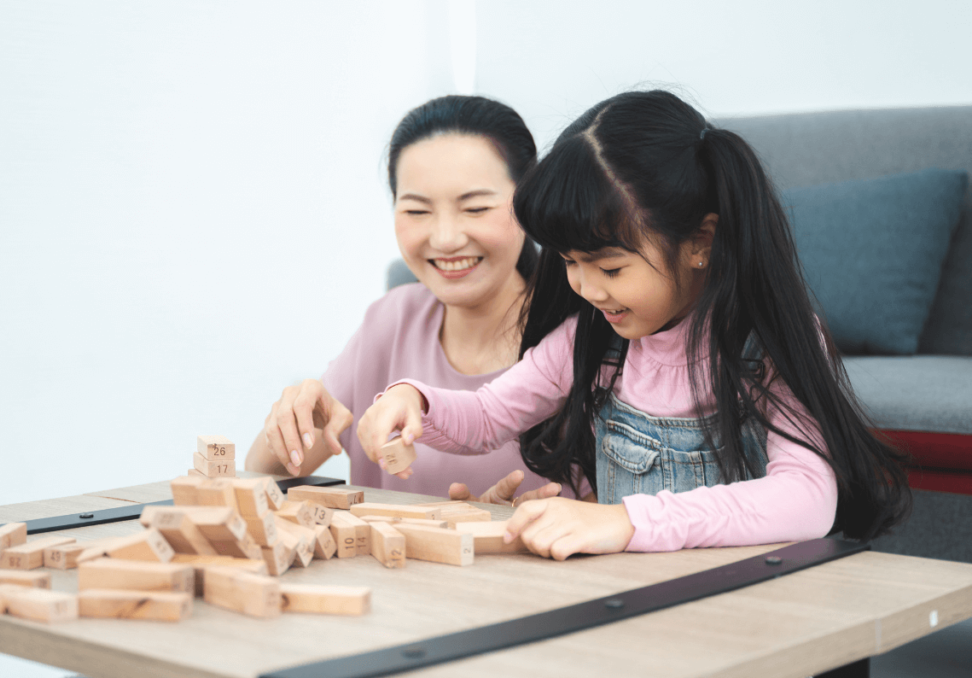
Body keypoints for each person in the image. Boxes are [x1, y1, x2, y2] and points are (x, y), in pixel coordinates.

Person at [356, 90, 912, 558]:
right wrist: (414, 403)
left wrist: (627, 522)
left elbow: (806, 500)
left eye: (610, 267)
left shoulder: (760, 348)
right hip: (635, 603)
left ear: (700, 243)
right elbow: (485, 416)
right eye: (571, 263)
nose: (586, 289)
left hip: (747, 602)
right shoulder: (592, 341)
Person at [245, 95, 564, 505]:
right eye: (417, 211)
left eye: (475, 207)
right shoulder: (392, 320)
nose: (446, 238)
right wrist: (289, 425)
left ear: (530, 201)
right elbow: (259, 477)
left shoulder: (582, 332)